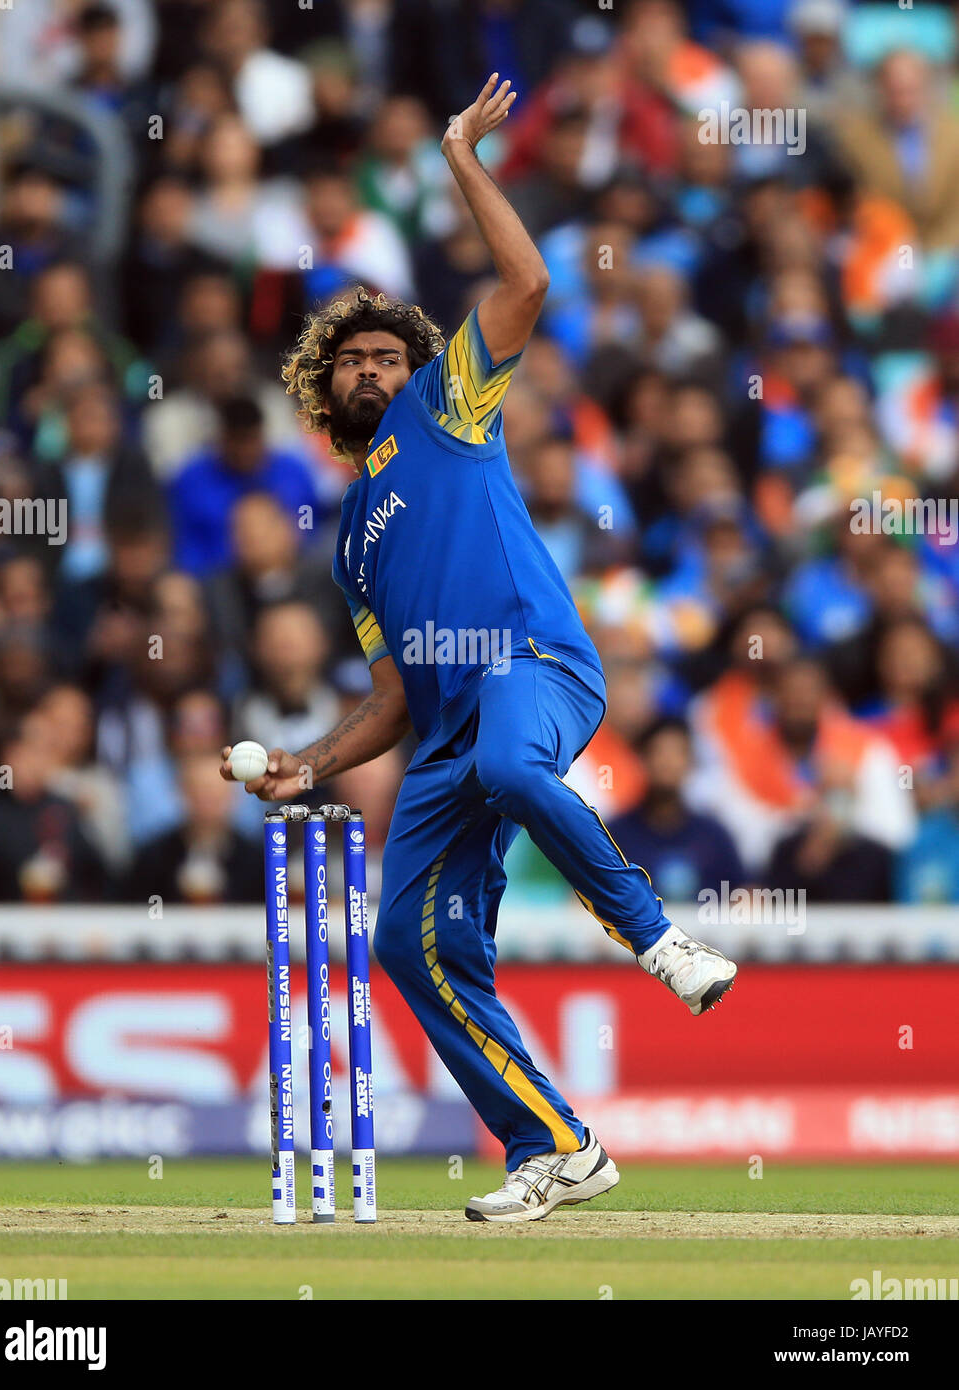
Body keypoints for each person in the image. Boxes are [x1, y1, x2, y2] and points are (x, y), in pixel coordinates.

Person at [221, 76, 738, 1224]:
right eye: (348, 360)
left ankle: (653, 938)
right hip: (446, 730)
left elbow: (528, 282)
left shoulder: (446, 408)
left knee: (513, 765)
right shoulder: (352, 543)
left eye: (383, 355)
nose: (370, 369)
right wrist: (311, 762)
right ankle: (555, 1143)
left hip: (536, 667)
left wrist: (460, 154)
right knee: (404, 941)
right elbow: (392, 699)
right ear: (323, 388)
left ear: (415, 368)